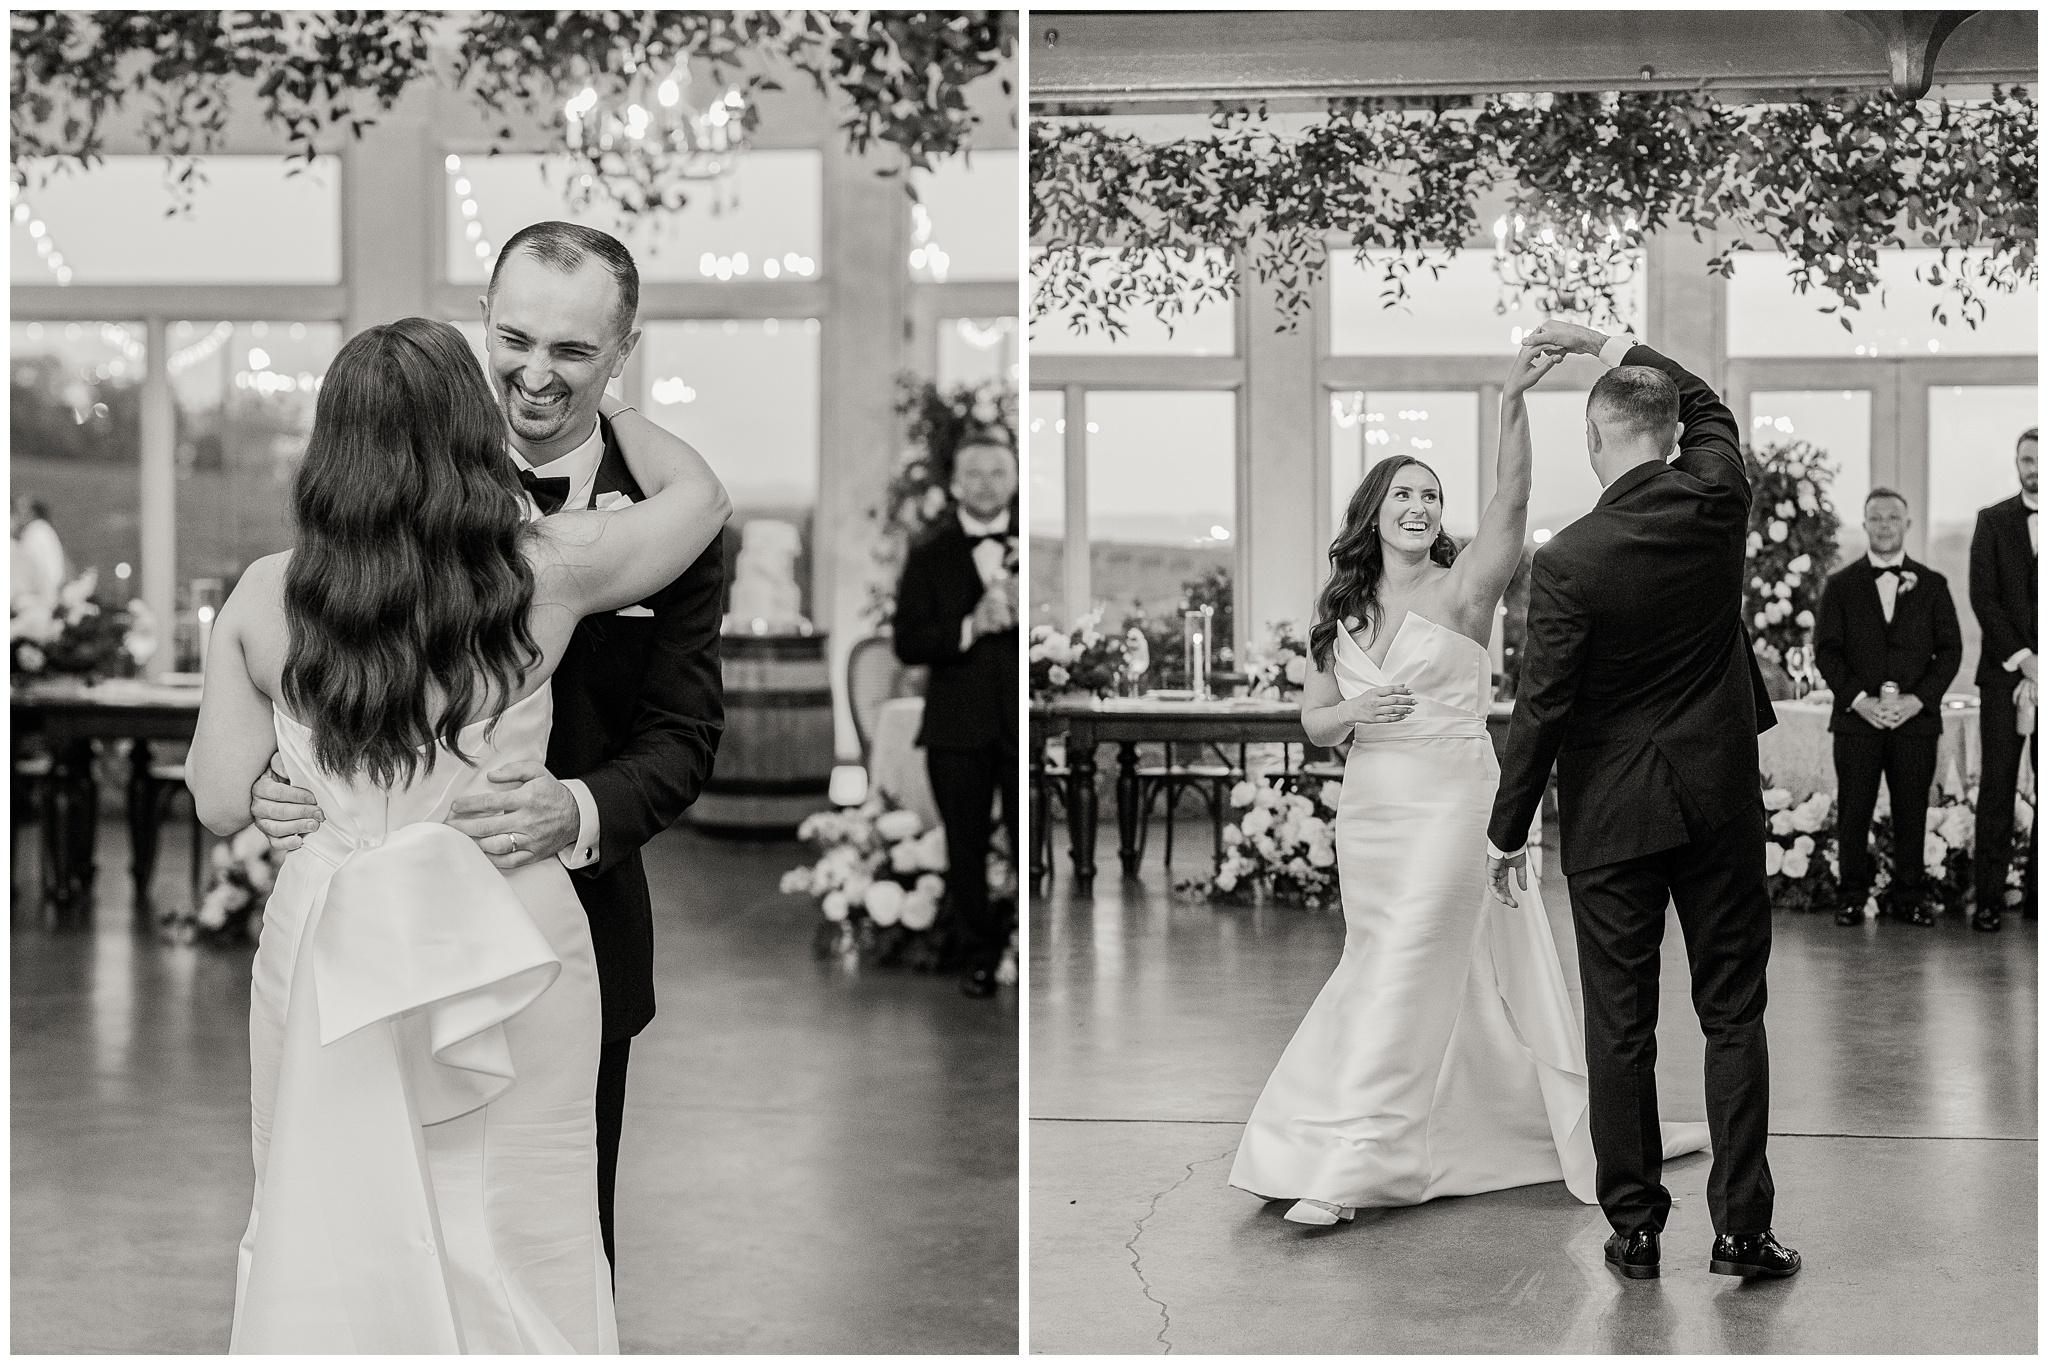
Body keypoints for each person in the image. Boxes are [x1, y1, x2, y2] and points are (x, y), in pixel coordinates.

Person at [187, 316, 729, 1351]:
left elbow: (216, 798)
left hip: (329, 933)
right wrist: (605, 393)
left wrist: (284, 784)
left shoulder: (264, 593)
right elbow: (699, 499)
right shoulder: (544, 569)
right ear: (471, 431)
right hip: (505, 928)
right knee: (516, 1221)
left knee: (325, 1201)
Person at [1229, 342, 1708, 1230]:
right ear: (1373, 513)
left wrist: (1511, 405)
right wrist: (1353, 719)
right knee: (1378, 968)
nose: (1420, 506)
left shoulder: (1464, 592)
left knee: (1407, 966)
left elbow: (1512, 503)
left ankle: (1347, 1167)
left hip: (1454, 803)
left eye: (1431, 495)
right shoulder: (1337, 610)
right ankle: (1313, 1139)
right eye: (1404, 493)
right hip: (1371, 817)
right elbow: (1314, 718)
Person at [1485, 321, 1797, 1283]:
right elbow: (1711, 406)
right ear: (1668, 434)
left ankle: (1635, 1227)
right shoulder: (1716, 497)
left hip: (1614, 816)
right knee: (1733, 1012)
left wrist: (1508, 828)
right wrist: (1615, 341)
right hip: (1718, 805)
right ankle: (1742, 1229)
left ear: (1593, 442)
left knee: (1619, 1023)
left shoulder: (1572, 559)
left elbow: (1543, 707)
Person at [892, 434, 1020, 999]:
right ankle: (980, 955)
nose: (988, 483)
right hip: (955, 725)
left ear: (1013, 480)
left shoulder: (1030, 545)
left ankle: (1029, 946)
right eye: (976, 473)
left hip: (1022, 724)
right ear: (955, 484)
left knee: (1027, 840)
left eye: (998, 472)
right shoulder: (928, 552)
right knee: (964, 847)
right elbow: (908, 643)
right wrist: (971, 626)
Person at [1813, 489, 1963, 927]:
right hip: (1856, 722)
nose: (1883, 525)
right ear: (1864, 524)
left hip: (1915, 723)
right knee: (1854, 811)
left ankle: (1910, 897)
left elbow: (1950, 652)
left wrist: (1918, 700)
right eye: (1875, 518)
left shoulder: (1933, 584)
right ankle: (1852, 896)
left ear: (1907, 525)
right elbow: (1826, 652)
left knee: (1912, 811)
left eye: (1892, 518)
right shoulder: (1840, 585)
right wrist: (1860, 702)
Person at [1966, 427, 2037, 932]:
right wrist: (2024, 658)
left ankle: (2039, 900)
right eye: (2026, 459)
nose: (2033, 467)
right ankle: (1987, 899)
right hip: (2001, 677)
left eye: (2039, 459)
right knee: (1996, 790)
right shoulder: (1992, 520)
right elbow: (1982, 597)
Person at [11, 493, 69, 608]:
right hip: (50, 595)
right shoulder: (44, 530)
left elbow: (32, 570)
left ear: (32, 513)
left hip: (40, 599)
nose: (16, 516)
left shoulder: (34, 533)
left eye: (20, 511)